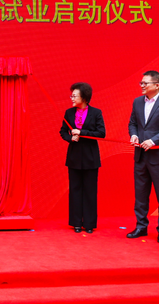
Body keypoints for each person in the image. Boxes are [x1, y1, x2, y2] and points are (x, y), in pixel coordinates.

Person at [127, 70, 159, 243]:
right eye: (141, 83)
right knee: (140, 194)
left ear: (157, 85)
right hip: (140, 156)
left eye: (145, 83)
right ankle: (141, 226)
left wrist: (153, 141)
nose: (141, 86)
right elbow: (133, 123)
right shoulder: (137, 102)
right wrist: (134, 135)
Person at [59, 82, 106, 233]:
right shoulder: (68, 113)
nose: (72, 98)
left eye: (75, 96)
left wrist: (82, 132)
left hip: (91, 157)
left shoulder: (96, 113)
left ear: (84, 97)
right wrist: (70, 138)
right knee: (75, 190)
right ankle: (76, 222)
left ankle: (89, 223)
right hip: (74, 157)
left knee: (90, 191)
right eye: (71, 95)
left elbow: (101, 133)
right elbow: (63, 131)